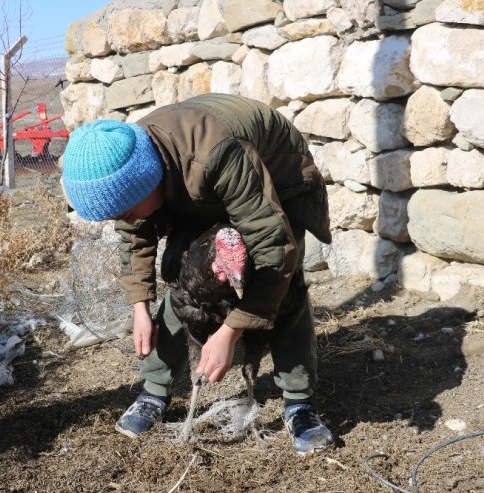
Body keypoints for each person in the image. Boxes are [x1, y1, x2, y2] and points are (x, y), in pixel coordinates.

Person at [61, 93, 333, 454]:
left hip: (275, 181)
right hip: (199, 186)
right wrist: (139, 307)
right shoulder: (134, 166)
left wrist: (229, 332)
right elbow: (135, 236)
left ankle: (299, 403)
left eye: (124, 212)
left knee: (283, 289)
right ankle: (155, 390)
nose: (123, 221)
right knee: (187, 286)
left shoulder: (216, 155)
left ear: (149, 182)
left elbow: (274, 251)